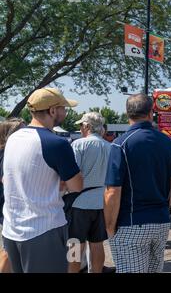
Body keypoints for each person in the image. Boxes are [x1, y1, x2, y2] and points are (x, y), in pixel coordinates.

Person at [2, 88, 83, 273]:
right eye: (63, 108)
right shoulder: (56, 143)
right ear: (52, 111)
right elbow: (77, 185)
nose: (65, 112)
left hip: (12, 228)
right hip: (44, 229)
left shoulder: (13, 138)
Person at [104, 94, 171, 273]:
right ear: (151, 113)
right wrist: (167, 205)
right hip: (160, 220)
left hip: (131, 222)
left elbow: (112, 191)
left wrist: (109, 226)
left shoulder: (120, 144)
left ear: (127, 113)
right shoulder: (168, 143)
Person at [67, 112, 111, 273]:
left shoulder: (78, 144)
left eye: (80, 125)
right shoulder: (110, 147)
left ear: (87, 126)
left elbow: (72, 174)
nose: (79, 129)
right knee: (97, 243)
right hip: (102, 201)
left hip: (79, 202)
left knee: (74, 244)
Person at [0, 118, 26, 273]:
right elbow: (6, 180)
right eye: (22, 131)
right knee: (8, 250)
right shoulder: (5, 153)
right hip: (7, 205)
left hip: (8, 205)